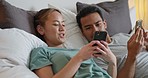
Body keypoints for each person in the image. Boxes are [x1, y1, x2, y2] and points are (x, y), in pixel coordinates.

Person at [29, 8, 117, 78]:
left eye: (63, 24)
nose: (62, 29)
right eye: (56, 24)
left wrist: (112, 62)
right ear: (40, 29)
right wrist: (79, 58)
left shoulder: (79, 50)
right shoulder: (41, 52)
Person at [76, 5, 148, 78]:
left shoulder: (122, 36)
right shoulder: (95, 56)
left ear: (105, 24)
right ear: (82, 32)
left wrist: (146, 43)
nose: (95, 30)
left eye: (98, 24)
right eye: (88, 28)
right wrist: (132, 55)